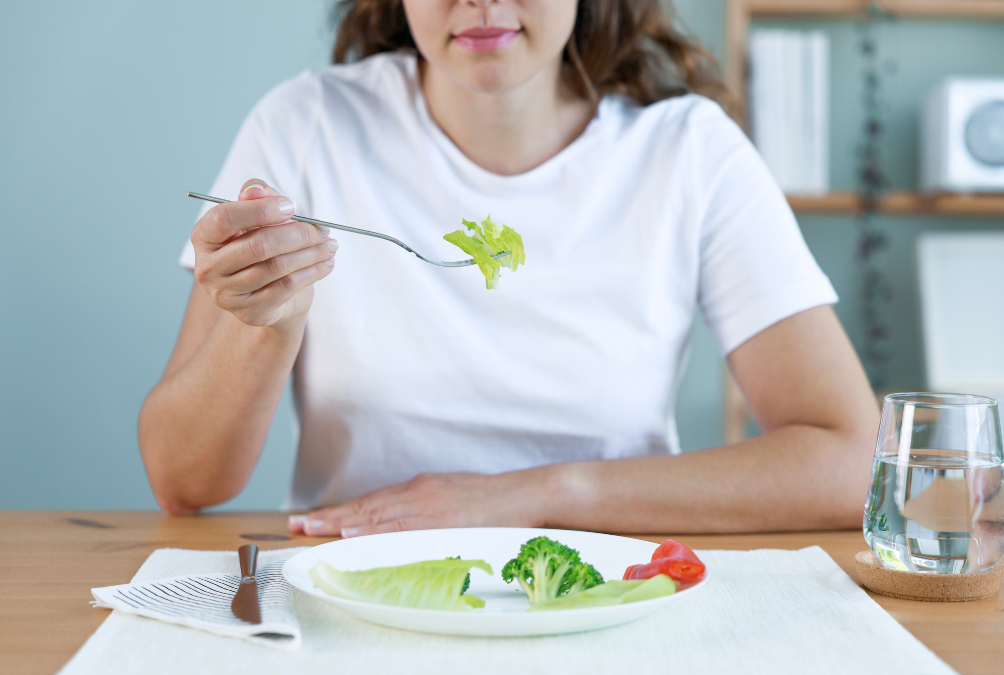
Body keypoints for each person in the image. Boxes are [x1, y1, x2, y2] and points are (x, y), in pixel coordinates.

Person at [138, 0, 880, 538]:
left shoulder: (690, 151)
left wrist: (534, 495)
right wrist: (269, 322)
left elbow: (851, 462)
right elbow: (182, 480)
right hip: (353, 587)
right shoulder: (306, 126)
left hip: (605, 596)